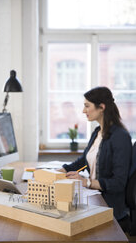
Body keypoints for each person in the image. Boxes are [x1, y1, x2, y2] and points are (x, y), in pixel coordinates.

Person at [59, 86, 132, 232]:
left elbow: (118, 183)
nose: (83, 111)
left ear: (101, 107)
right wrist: (61, 170)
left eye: (87, 106)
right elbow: (84, 160)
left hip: (110, 207)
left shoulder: (120, 137)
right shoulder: (98, 132)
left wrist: (87, 182)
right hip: (95, 199)